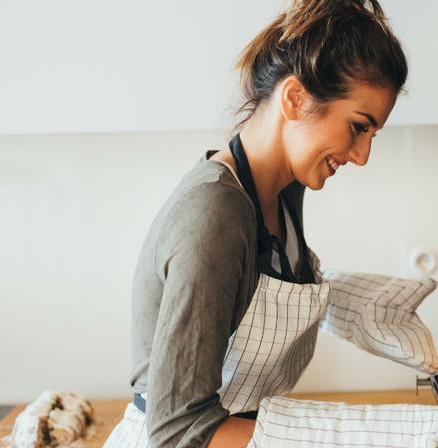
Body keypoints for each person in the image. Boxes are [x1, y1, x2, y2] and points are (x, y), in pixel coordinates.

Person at [104, 1, 409, 446]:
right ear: (294, 98)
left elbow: (254, 290)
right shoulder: (214, 214)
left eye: (372, 135)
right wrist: (343, 437)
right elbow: (177, 431)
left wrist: (346, 303)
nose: (362, 156)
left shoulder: (283, 191)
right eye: (358, 127)